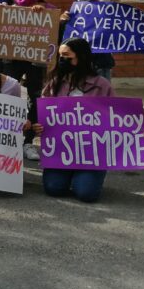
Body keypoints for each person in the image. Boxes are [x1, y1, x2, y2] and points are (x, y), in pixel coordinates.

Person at [34, 38, 115, 203]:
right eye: (60, 57)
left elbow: (117, 117)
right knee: (53, 188)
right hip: (61, 151)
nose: (62, 61)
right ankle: (69, 174)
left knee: (86, 193)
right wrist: (40, 126)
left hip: (92, 154)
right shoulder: (54, 84)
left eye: (67, 56)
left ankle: (86, 176)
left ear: (82, 57)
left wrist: (138, 131)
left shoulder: (102, 85)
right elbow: (45, 116)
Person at [2, 0, 54, 161]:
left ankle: (28, 141)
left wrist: (46, 12)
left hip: (35, 61)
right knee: (8, 93)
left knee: (35, 96)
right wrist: (1, 12)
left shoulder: (48, 10)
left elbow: (55, 27)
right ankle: (8, 136)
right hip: (12, 60)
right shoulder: (11, 9)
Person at [59, 0, 115, 80]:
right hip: (76, 66)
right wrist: (61, 23)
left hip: (99, 65)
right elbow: (63, 42)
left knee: (100, 97)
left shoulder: (106, 12)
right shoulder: (71, 14)